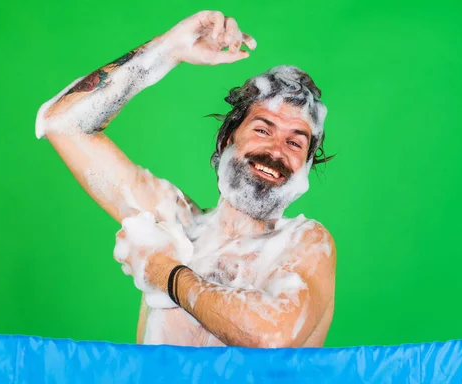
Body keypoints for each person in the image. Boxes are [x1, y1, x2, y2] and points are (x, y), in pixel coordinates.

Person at [35, 10, 336, 348]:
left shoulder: (306, 243)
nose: (277, 151)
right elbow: (62, 124)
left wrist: (167, 275)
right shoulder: (176, 225)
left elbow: (270, 334)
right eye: (263, 129)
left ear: (305, 166)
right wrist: (168, 50)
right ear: (226, 141)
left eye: (295, 142)